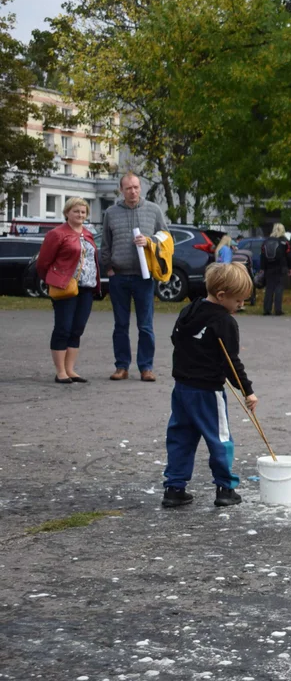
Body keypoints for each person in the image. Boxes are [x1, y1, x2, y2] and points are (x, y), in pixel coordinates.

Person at [162, 262, 257, 509]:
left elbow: (176, 339)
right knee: (219, 439)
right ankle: (225, 488)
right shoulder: (224, 322)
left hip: (181, 388)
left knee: (180, 436)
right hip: (207, 392)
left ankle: (174, 488)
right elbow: (231, 362)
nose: (241, 306)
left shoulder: (188, 310)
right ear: (222, 296)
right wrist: (247, 390)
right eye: (238, 301)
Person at [99, 172, 169, 382]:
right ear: (122, 190)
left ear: (141, 188)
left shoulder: (154, 210)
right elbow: (105, 244)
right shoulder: (111, 213)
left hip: (144, 277)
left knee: (145, 325)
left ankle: (146, 367)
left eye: (136, 187)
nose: (133, 191)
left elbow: (166, 238)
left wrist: (149, 241)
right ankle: (121, 367)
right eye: (128, 188)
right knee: (120, 324)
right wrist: (109, 267)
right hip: (118, 277)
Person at [37, 197, 100, 384]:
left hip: (86, 288)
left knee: (77, 329)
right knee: (63, 328)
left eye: (83, 212)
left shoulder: (88, 234)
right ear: (67, 213)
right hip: (65, 288)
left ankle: (71, 369)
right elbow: (43, 263)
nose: (80, 215)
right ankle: (60, 371)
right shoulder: (57, 234)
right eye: (76, 211)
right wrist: (54, 281)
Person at [260, 223, 291, 316]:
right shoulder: (284, 242)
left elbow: (262, 256)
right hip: (281, 267)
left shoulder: (266, 241)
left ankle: (267, 309)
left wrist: (262, 268)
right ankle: (278, 309)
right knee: (279, 288)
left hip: (269, 268)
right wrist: (290, 267)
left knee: (269, 288)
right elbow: (288, 256)